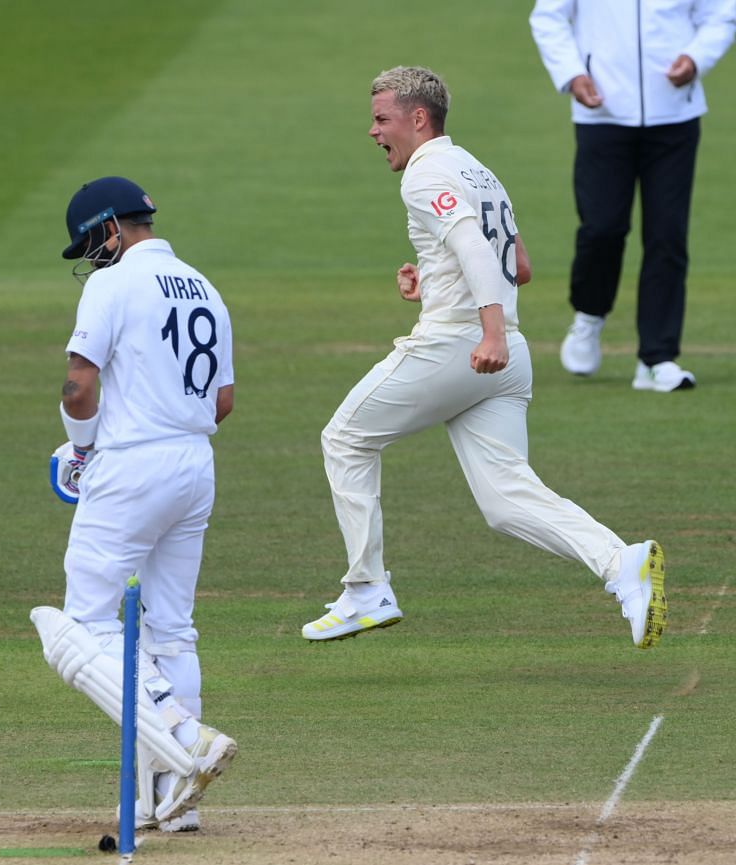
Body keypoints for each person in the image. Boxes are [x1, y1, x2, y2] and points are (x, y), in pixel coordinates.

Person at [300, 66, 667, 650]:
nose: (372, 131)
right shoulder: (478, 169)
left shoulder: (425, 174)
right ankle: (620, 562)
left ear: (417, 119)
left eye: (381, 119)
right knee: (506, 500)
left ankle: (366, 590)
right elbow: (516, 265)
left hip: (463, 345)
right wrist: (434, 276)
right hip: (504, 352)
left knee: (345, 438)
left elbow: (473, 246)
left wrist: (486, 331)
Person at [32, 176, 236, 833]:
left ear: (112, 229)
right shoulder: (203, 284)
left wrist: (85, 449)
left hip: (131, 465)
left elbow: (77, 386)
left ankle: (184, 736)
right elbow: (222, 401)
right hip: (194, 464)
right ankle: (173, 796)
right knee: (170, 627)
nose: (90, 257)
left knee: (84, 625)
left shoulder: (112, 284)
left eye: (92, 243)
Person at [530, 0, 736, 391]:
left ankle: (657, 359)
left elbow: (721, 13)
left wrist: (695, 58)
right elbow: (548, 16)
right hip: (601, 112)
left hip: (675, 114)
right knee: (602, 228)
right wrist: (573, 73)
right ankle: (589, 316)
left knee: (667, 236)